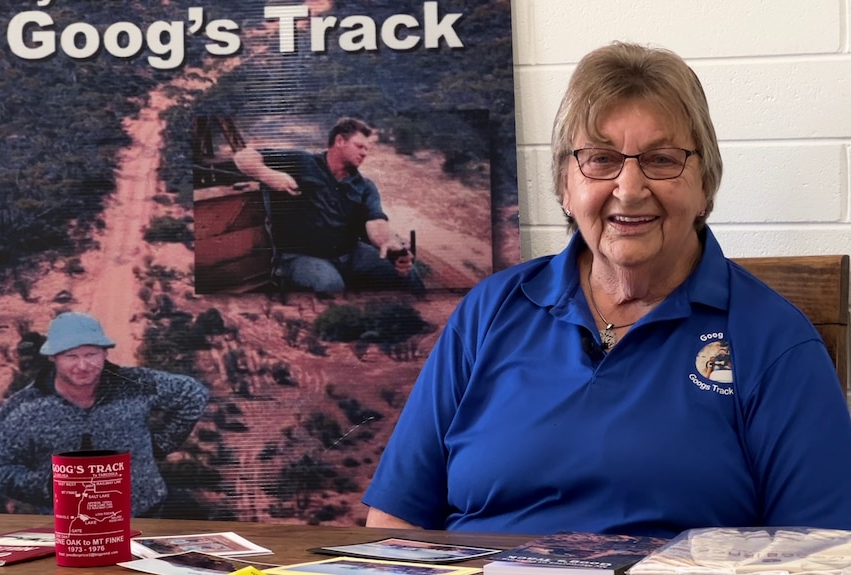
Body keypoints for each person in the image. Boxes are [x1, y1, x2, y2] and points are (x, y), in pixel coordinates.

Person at [362, 41, 851, 537]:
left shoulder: (774, 341)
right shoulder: (490, 312)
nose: (630, 187)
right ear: (564, 184)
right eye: (600, 159)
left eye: (662, 159)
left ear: (705, 183)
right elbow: (394, 522)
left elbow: (821, 552)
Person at [0, 311, 209, 517]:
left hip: (145, 515)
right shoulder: (24, 407)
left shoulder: (135, 384)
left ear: (105, 353)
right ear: (53, 357)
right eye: (71, 356)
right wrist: (44, 485)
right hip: (68, 527)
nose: (83, 365)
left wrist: (159, 446)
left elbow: (194, 394)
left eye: (91, 354)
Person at [233, 117, 425, 295]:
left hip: (349, 254)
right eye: (359, 146)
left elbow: (375, 220)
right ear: (340, 141)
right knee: (330, 286)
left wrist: (386, 243)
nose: (364, 153)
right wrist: (268, 175)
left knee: (408, 273)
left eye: (367, 149)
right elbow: (243, 157)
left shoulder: (364, 186)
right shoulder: (302, 162)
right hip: (301, 257)